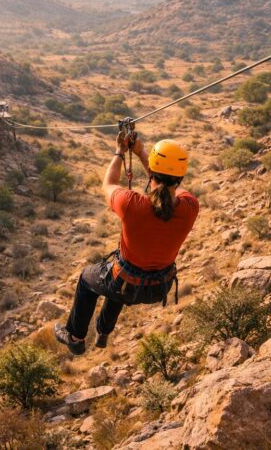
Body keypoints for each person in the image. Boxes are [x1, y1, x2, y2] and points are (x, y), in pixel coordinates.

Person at [54, 133, 199, 355]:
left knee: (89, 277)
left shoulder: (132, 204)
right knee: (118, 272)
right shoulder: (190, 207)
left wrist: (120, 152)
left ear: (153, 171)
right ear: (181, 176)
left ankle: (75, 337)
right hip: (159, 288)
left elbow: (109, 184)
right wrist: (140, 153)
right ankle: (103, 332)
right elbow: (167, 188)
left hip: (126, 285)